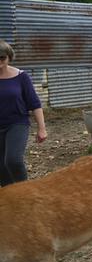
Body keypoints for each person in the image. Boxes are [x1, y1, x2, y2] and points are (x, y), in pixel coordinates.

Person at [0, 40, 47, 186]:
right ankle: (9, 195)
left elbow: (34, 103)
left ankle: (25, 190)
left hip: (17, 123)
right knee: (1, 166)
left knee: (13, 160)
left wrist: (42, 128)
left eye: (2, 58)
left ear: (9, 57)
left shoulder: (21, 77)